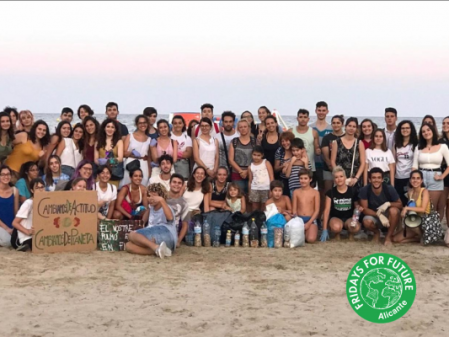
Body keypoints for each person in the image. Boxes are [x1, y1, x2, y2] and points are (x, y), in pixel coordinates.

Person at [125, 183, 175, 259]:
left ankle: (155, 247)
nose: (151, 198)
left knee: (132, 235)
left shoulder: (166, 207)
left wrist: (161, 200)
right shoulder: (151, 208)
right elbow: (142, 222)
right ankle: (160, 250)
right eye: (149, 195)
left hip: (167, 234)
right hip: (156, 236)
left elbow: (170, 218)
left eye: (154, 195)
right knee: (128, 246)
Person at [412, 122, 449, 220]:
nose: (426, 132)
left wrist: (442, 176)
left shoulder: (442, 147)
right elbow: (414, 166)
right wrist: (414, 180)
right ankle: (420, 230)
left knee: (432, 207)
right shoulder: (418, 147)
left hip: (435, 177)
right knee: (419, 204)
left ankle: (432, 232)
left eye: (428, 130)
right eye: (423, 131)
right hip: (421, 178)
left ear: (433, 131)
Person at [359, 168, 402, 246]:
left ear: (382, 179)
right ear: (369, 179)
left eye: (379, 178)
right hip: (374, 215)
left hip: (388, 215)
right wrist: (379, 214)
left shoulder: (389, 189)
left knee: (394, 211)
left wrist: (388, 204)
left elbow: (400, 204)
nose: (376, 180)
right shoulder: (364, 190)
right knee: (366, 221)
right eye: (374, 178)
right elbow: (364, 209)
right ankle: (377, 233)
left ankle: (388, 237)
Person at [321, 166, 361, 242]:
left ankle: (350, 234)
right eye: (336, 177)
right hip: (336, 218)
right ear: (334, 180)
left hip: (349, 218)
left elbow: (356, 207)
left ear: (345, 177)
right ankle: (337, 235)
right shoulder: (330, 193)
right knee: (336, 227)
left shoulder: (352, 191)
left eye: (341, 176)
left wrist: (357, 211)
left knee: (355, 227)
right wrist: (324, 229)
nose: (339, 179)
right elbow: (326, 211)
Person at [393, 170, 430, 244]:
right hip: (414, 221)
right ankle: (418, 238)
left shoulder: (424, 191)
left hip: (425, 221)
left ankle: (422, 235)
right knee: (395, 239)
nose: (415, 180)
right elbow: (411, 206)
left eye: (418, 178)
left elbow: (423, 209)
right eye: (413, 178)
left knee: (410, 213)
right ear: (410, 180)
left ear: (421, 180)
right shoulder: (410, 192)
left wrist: (406, 208)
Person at [11, 178, 45, 251]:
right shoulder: (28, 203)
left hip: (36, 235)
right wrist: (28, 231)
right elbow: (15, 223)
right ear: (32, 190)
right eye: (37, 188)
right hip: (23, 238)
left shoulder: (45, 203)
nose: (40, 190)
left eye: (42, 187)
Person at [331, 117, 365, 188]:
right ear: (345, 127)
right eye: (349, 126)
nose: (351, 128)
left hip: (355, 179)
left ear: (356, 129)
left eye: (354, 126)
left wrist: (356, 178)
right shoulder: (337, 142)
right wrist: (338, 176)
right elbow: (333, 161)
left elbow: (362, 163)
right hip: (340, 179)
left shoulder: (359, 143)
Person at [310, 101, 333, 205]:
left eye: (323, 110)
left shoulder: (331, 128)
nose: (321, 112)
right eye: (319, 110)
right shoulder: (310, 128)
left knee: (325, 191)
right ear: (315, 111)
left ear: (327, 111)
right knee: (311, 191)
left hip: (326, 165)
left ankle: (324, 215)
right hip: (312, 164)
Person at [121, 115, 151, 187]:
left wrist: (150, 171)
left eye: (144, 122)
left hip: (144, 165)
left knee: (142, 185)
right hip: (131, 163)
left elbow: (149, 157)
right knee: (127, 185)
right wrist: (132, 154)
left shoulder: (149, 139)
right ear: (136, 124)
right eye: (140, 123)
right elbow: (123, 153)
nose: (142, 125)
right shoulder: (130, 136)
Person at [289, 109, 320, 179]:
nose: (303, 119)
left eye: (305, 117)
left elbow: (317, 150)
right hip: (294, 167)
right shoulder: (291, 131)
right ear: (297, 118)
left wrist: (318, 151)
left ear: (308, 119)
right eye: (301, 117)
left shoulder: (314, 132)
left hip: (309, 166)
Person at [228, 119, 256, 195]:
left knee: (250, 197)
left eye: (245, 127)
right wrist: (240, 171)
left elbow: (257, 159)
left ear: (249, 128)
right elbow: (231, 159)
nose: (243, 129)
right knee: (238, 196)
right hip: (237, 173)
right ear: (238, 129)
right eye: (241, 127)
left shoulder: (254, 142)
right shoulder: (234, 141)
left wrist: (247, 171)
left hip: (251, 173)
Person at [394, 120, 418, 205]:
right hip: (398, 177)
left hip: (409, 178)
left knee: (410, 202)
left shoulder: (415, 144)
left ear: (411, 129)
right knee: (399, 202)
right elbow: (395, 161)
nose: (405, 130)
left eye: (407, 128)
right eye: (403, 128)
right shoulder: (396, 145)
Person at [95, 118, 124, 188]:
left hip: (113, 174)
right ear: (104, 128)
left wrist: (108, 161)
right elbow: (96, 160)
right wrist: (101, 163)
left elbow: (120, 158)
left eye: (112, 127)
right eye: (108, 126)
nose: (110, 129)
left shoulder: (119, 142)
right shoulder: (98, 142)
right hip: (101, 173)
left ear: (115, 129)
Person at [292, 169, 319, 243]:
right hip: (299, 219)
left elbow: (317, 210)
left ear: (310, 179)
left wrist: (309, 223)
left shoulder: (315, 193)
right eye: (301, 178)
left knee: (311, 239)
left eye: (305, 178)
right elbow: (294, 209)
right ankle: (303, 233)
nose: (303, 181)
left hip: (311, 219)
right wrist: (298, 222)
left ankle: (308, 231)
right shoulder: (296, 192)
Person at [321, 115, 344, 193]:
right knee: (328, 191)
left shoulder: (346, 137)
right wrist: (332, 168)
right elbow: (325, 156)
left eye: (338, 123)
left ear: (342, 124)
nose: (336, 125)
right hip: (329, 169)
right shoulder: (327, 138)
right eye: (333, 123)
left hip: (343, 169)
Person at [166, 174, 189, 247]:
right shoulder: (161, 197)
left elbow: (185, 225)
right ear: (170, 184)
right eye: (174, 182)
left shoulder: (184, 203)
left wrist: (178, 241)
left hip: (172, 234)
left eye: (179, 183)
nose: (176, 185)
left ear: (182, 186)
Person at [248, 146, 274, 211]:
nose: (256, 157)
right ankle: (254, 219)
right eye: (254, 155)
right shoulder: (250, 166)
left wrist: (271, 189)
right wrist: (250, 192)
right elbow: (250, 181)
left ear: (262, 155)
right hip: (255, 188)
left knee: (264, 206)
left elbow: (271, 177)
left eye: (258, 155)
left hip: (266, 188)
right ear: (251, 154)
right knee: (254, 207)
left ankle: (263, 220)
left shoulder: (266, 163)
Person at [215, 111, 239, 176]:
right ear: (222, 122)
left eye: (230, 121)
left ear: (234, 122)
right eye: (226, 122)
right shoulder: (216, 137)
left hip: (236, 171)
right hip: (220, 172)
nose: (228, 124)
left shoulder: (238, 136)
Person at [0, 165, 19, 247]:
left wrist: (15, 227)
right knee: (7, 242)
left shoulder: (15, 190)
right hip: (1, 225)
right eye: (3, 174)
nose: (6, 177)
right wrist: (6, 228)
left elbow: (16, 212)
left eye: (8, 174)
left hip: (11, 224)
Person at [171, 115, 192, 180]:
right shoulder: (169, 136)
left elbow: (188, 154)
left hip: (183, 165)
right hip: (170, 164)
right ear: (172, 124)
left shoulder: (187, 138)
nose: (178, 125)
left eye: (180, 123)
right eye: (175, 123)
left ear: (183, 124)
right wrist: (182, 153)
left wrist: (174, 153)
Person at [274, 131, 295, 196]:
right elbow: (276, 168)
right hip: (283, 180)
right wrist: (283, 166)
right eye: (283, 141)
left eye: (287, 140)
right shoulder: (279, 151)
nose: (285, 143)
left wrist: (289, 164)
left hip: (295, 179)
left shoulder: (295, 149)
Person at [440, 116, 449, 223]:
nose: (445, 125)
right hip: (443, 175)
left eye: (448, 123)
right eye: (443, 123)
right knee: (443, 203)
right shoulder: (440, 141)